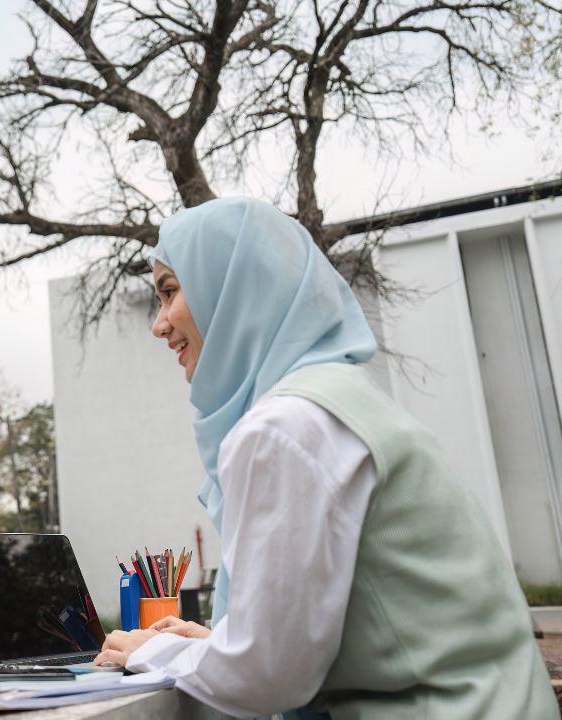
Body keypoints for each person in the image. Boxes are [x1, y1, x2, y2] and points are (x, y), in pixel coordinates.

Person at [94, 198, 555, 718]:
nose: (159, 325)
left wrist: (153, 652)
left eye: (170, 292)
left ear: (236, 291)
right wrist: (216, 644)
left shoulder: (285, 427)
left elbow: (267, 679)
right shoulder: (334, 399)